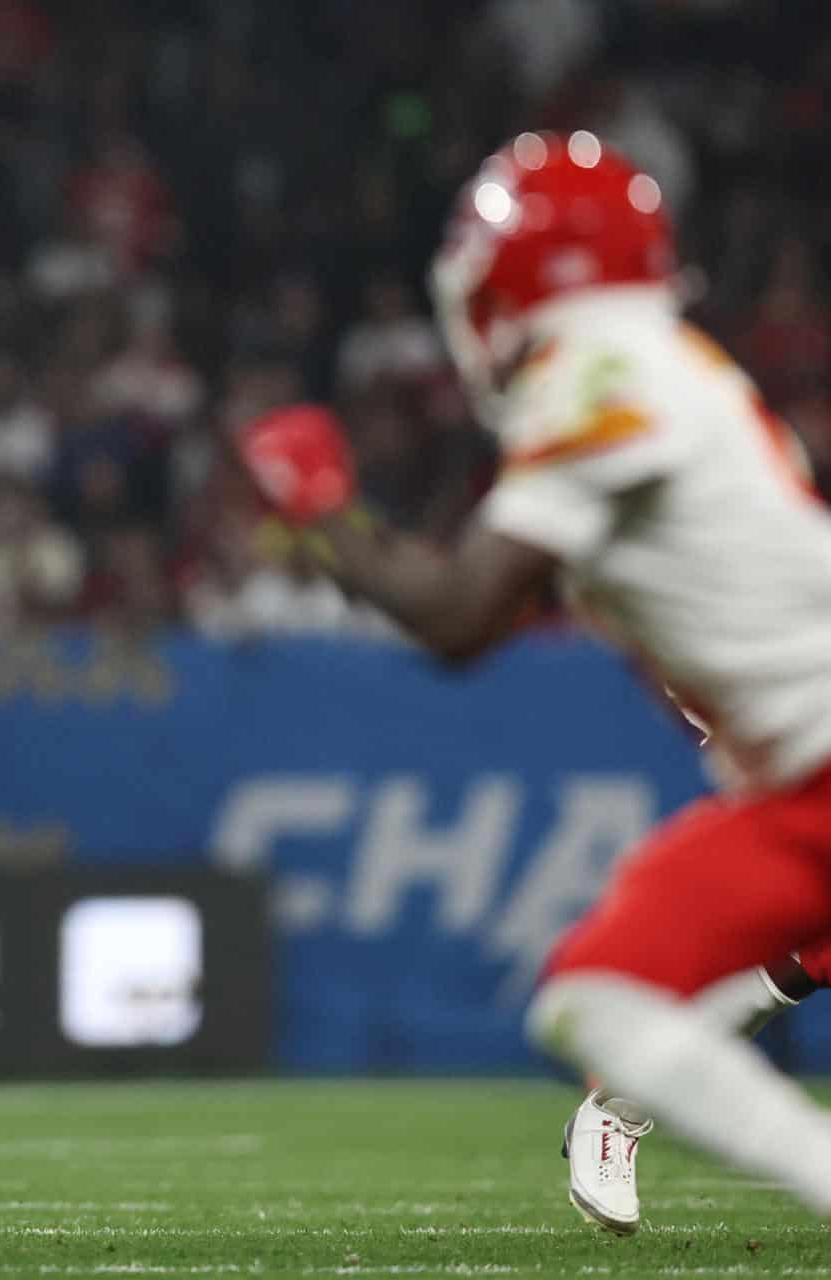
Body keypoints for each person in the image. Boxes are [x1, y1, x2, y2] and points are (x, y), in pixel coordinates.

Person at [237, 130, 831, 1230]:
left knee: (608, 995)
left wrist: (323, 516)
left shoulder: (604, 371)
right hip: (803, 781)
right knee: (598, 993)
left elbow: (461, 619)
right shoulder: (667, 364)